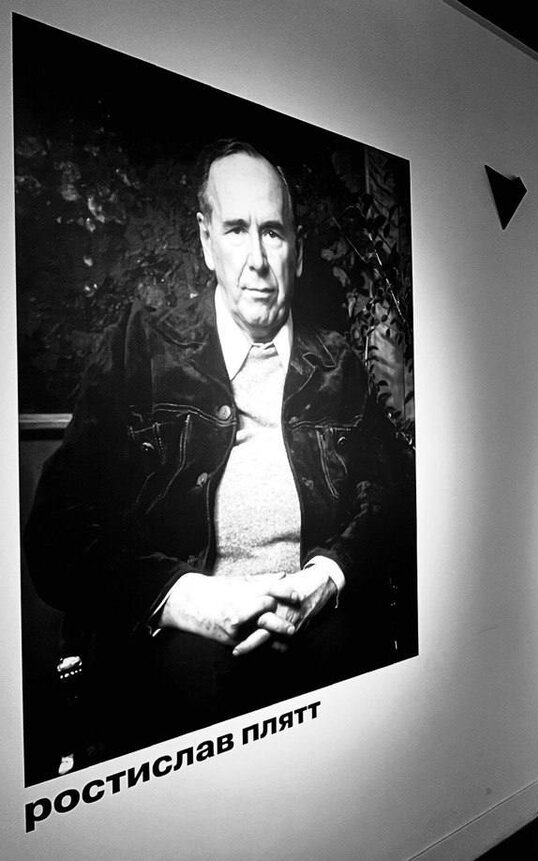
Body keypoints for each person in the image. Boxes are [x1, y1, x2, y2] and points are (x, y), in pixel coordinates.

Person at [24, 140, 411, 758]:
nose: (257, 259)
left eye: (273, 233)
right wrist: (187, 600)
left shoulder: (339, 365)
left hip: (325, 664)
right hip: (170, 676)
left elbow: (394, 500)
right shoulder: (138, 350)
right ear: (207, 242)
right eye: (236, 230)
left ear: (298, 249)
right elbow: (57, 535)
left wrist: (326, 579)